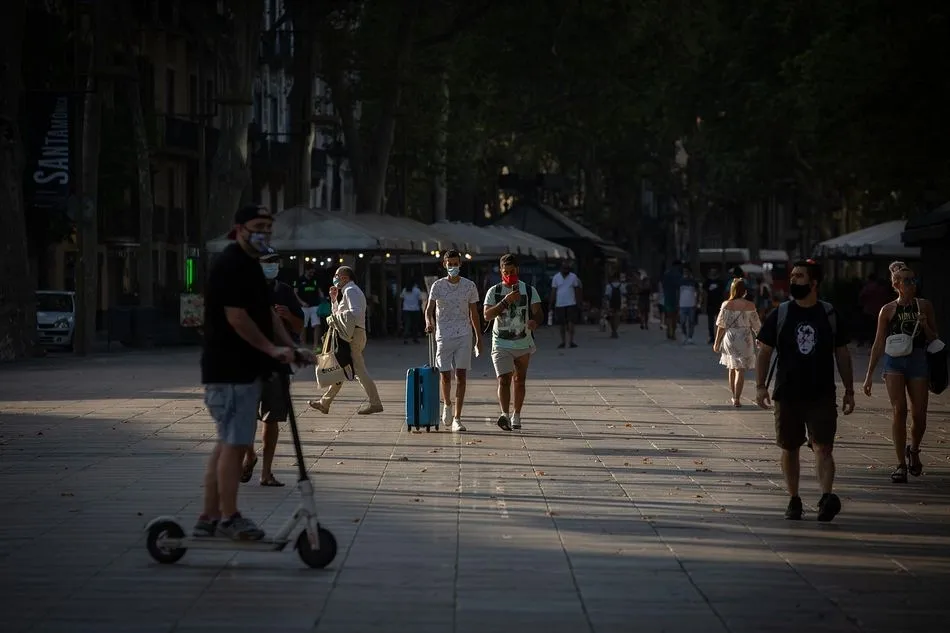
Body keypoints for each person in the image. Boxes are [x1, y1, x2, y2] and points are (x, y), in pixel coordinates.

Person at [196, 204, 310, 540]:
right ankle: (228, 517)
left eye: (268, 227)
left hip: (246, 371)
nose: (264, 232)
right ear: (239, 229)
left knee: (227, 444)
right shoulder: (230, 264)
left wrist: (291, 346)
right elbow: (238, 318)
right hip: (228, 368)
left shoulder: (252, 267)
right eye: (258, 226)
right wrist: (271, 349)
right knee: (234, 444)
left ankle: (209, 518)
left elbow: (268, 316)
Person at [755, 259, 854, 522]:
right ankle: (794, 499)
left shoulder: (829, 314)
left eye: (799, 276)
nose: (793, 280)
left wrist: (850, 390)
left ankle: (825, 497)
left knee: (823, 447)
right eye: (792, 276)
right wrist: (760, 385)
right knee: (789, 448)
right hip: (787, 392)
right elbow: (764, 351)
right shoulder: (781, 313)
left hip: (821, 392)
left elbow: (842, 353)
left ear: (814, 283)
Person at [863, 261, 939, 483]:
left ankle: (913, 450)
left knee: (919, 415)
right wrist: (869, 376)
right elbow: (878, 343)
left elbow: (936, 337)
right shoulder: (887, 310)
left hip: (917, 359)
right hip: (894, 361)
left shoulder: (924, 305)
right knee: (900, 411)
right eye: (906, 280)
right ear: (896, 284)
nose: (911, 283)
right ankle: (900, 465)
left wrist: (924, 326)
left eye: (913, 279)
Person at [241, 247, 304, 488]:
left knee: (272, 417)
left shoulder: (284, 291)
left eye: (275, 261)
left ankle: (266, 473)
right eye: (267, 261)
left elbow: (299, 327)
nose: (272, 265)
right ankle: (250, 455)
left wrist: (288, 316)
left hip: (277, 365)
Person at [308, 266, 384, 415]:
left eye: (337, 275)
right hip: (351, 334)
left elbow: (354, 314)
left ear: (345, 277)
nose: (335, 278)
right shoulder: (348, 291)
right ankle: (325, 403)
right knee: (340, 367)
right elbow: (341, 313)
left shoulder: (350, 290)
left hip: (352, 336)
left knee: (358, 371)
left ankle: (375, 403)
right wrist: (334, 300)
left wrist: (334, 319)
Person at [424, 250, 483, 432]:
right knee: (445, 374)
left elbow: (474, 313)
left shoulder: (469, 286)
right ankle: (447, 404)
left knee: (462, 375)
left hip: (464, 334)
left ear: (460, 264)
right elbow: (429, 310)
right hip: (443, 335)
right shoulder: (438, 286)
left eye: (456, 264)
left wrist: (478, 338)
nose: (453, 267)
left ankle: (458, 417)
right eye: (450, 264)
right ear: (444, 265)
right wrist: (429, 322)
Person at [484, 254, 543, 431]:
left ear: (518, 270)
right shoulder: (494, 291)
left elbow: (539, 312)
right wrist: (505, 301)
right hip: (501, 343)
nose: (509, 275)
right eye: (506, 271)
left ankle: (516, 414)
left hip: (523, 343)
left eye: (512, 271)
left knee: (520, 380)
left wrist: (535, 321)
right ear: (501, 271)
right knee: (503, 380)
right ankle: (504, 414)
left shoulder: (529, 290)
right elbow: (487, 315)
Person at [713, 278, 760, 407]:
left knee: (731, 368)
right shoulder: (750, 305)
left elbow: (721, 326)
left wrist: (716, 343)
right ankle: (737, 398)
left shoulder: (726, 305)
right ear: (745, 291)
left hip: (730, 337)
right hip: (745, 338)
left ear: (732, 290)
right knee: (740, 370)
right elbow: (757, 326)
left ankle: (733, 396)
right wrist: (760, 339)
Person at [550, 261, 581, 348]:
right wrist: (551, 302)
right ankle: (563, 341)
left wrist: (578, 302)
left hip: (571, 303)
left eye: (567, 268)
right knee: (562, 324)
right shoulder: (556, 277)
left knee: (571, 323)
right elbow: (553, 291)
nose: (566, 270)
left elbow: (577, 290)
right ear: (561, 269)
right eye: (564, 268)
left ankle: (571, 341)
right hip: (560, 304)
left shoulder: (573, 277)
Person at [293, 267, 324, 347]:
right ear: (306, 270)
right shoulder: (299, 280)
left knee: (316, 325)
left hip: (315, 306)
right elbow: (295, 293)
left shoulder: (315, 280)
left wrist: (323, 298)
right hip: (303, 307)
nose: (312, 274)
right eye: (310, 272)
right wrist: (301, 302)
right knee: (304, 326)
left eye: (313, 272)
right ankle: (303, 345)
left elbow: (319, 291)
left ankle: (315, 345)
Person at [703, 267, 726, 344]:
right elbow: (704, 293)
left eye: (714, 271)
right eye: (712, 271)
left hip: (719, 304)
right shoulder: (707, 282)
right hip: (710, 304)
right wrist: (703, 304)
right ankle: (711, 337)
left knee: (719, 322)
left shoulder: (720, 282)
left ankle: (719, 337)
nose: (713, 273)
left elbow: (723, 294)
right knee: (710, 322)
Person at [678, 266, 700, 344]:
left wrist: (697, 302)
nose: (686, 273)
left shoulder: (693, 282)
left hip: (691, 305)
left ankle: (690, 337)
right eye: (684, 272)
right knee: (682, 322)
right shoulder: (679, 281)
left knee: (691, 322)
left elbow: (698, 293)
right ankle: (684, 335)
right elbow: (677, 293)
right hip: (682, 305)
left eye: (687, 271)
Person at [662, 261, 682, 340]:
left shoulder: (666, 274)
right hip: (675, 297)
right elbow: (680, 287)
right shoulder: (679, 275)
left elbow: (663, 285)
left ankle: (669, 331)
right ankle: (672, 332)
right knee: (674, 316)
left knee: (669, 315)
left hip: (667, 296)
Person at [400, 280, 424, 344]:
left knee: (407, 324)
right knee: (415, 325)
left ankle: (405, 338)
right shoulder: (417, 290)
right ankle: (415, 338)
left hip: (406, 309)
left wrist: (403, 306)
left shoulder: (405, 290)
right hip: (415, 309)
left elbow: (402, 299)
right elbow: (420, 300)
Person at [604, 273, 624, 338]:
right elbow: (624, 295)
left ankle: (613, 331)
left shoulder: (608, 286)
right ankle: (615, 330)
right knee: (617, 317)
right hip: (619, 304)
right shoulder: (622, 286)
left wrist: (606, 304)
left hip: (611, 303)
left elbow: (606, 296)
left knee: (611, 317)